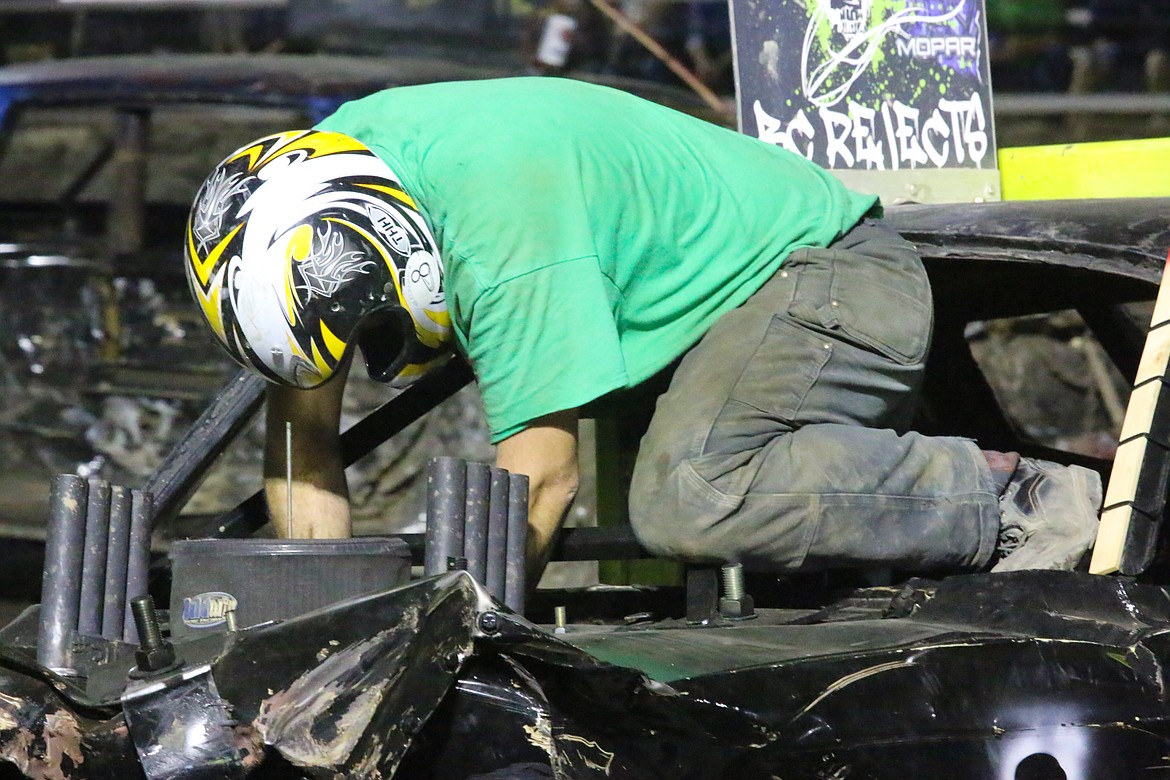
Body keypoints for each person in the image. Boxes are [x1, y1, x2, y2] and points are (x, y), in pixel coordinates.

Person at [183, 76, 1102, 578]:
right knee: (646, 534)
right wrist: (310, 620)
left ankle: (1023, 501)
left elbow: (540, 482)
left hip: (826, 274)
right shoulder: (314, 188)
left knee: (692, 495)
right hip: (705, 305)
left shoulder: (502, 223)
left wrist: (430, 652)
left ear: (399, 251)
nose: (381, 350)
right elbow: (304, 438)